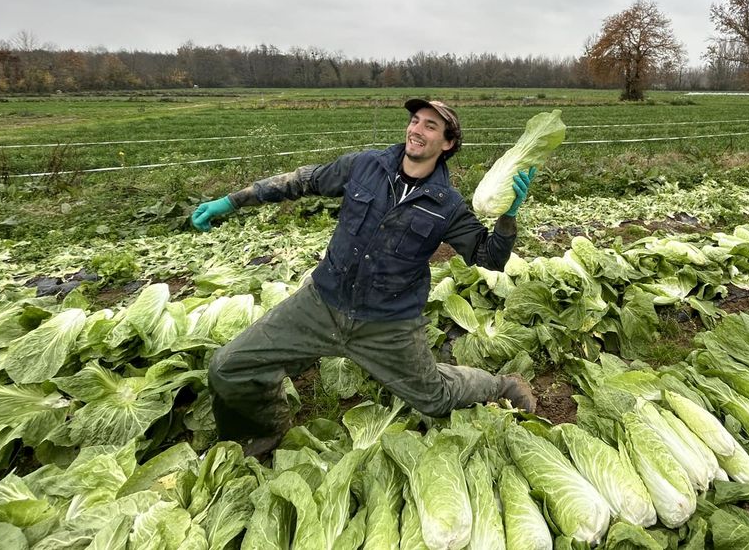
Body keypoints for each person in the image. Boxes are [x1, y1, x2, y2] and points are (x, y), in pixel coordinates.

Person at [191, 98, 537, 457]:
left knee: (435, 398)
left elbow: (489, 257)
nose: (416, 130)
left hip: (387, 324)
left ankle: (500, 385)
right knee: (229, 366)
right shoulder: (365, 166)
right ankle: (262, 434)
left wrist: (508, 217)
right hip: (322, 303)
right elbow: (304, 181)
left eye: (430, 126)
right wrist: (232, 201)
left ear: (447, 144)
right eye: (415, 121)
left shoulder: (447, 205)